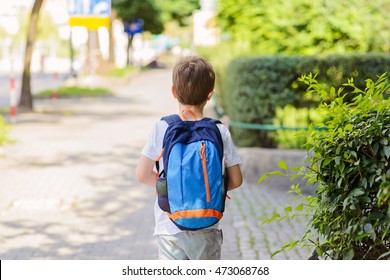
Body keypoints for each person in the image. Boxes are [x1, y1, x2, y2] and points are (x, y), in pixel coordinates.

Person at [135, 55, 243, 260]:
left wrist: (173, 187)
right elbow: (236, 180)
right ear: (210, 94)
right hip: (207, 224)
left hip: (169, 227)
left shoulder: (162, 128)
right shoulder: (220, 131)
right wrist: (205, 185)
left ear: (173, 92)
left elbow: (141, 175)